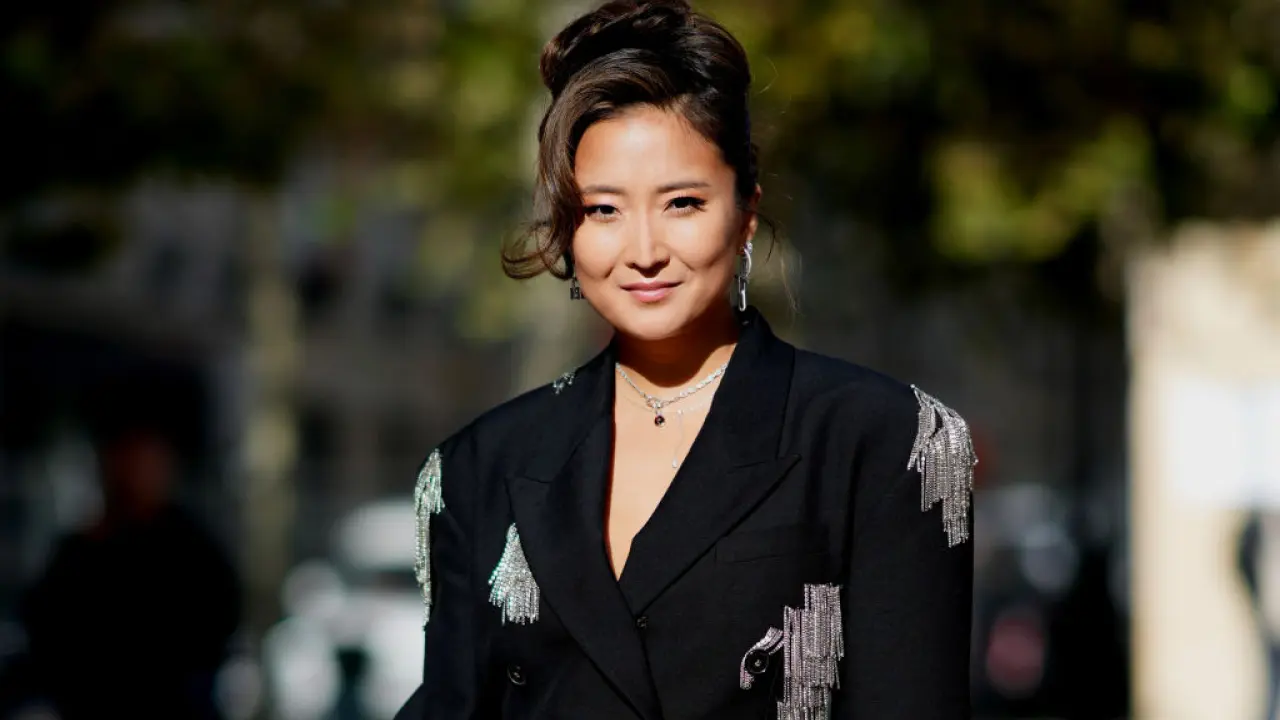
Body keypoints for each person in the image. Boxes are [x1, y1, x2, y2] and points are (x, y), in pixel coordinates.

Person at [394, 1, 974, 717]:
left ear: (746, 212)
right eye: (603, 210)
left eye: (682, 204)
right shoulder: (476, 469)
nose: (644, 251)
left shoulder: (889, 442)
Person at [15, 425, 241, 719]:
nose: (133, 472)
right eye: (125, 458)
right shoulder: (81, 550)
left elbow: (219, 621)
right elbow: (45, 629)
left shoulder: (192, 550)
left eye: (145, 460)